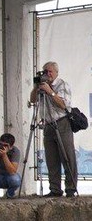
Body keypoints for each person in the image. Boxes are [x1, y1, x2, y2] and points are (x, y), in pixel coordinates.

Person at [29, 61, 78, 197]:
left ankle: (71, 189)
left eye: (50, 71)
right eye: (45, 71)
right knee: (52, 159)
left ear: (56, 72)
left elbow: (64, 105)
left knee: (67, 156)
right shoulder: (42, 85)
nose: (48, 74)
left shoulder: (62, 85)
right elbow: (33, 100)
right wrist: (36, 88)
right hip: (48, 124)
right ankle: (55, 189)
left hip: (62, 123)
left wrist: (50, 92)